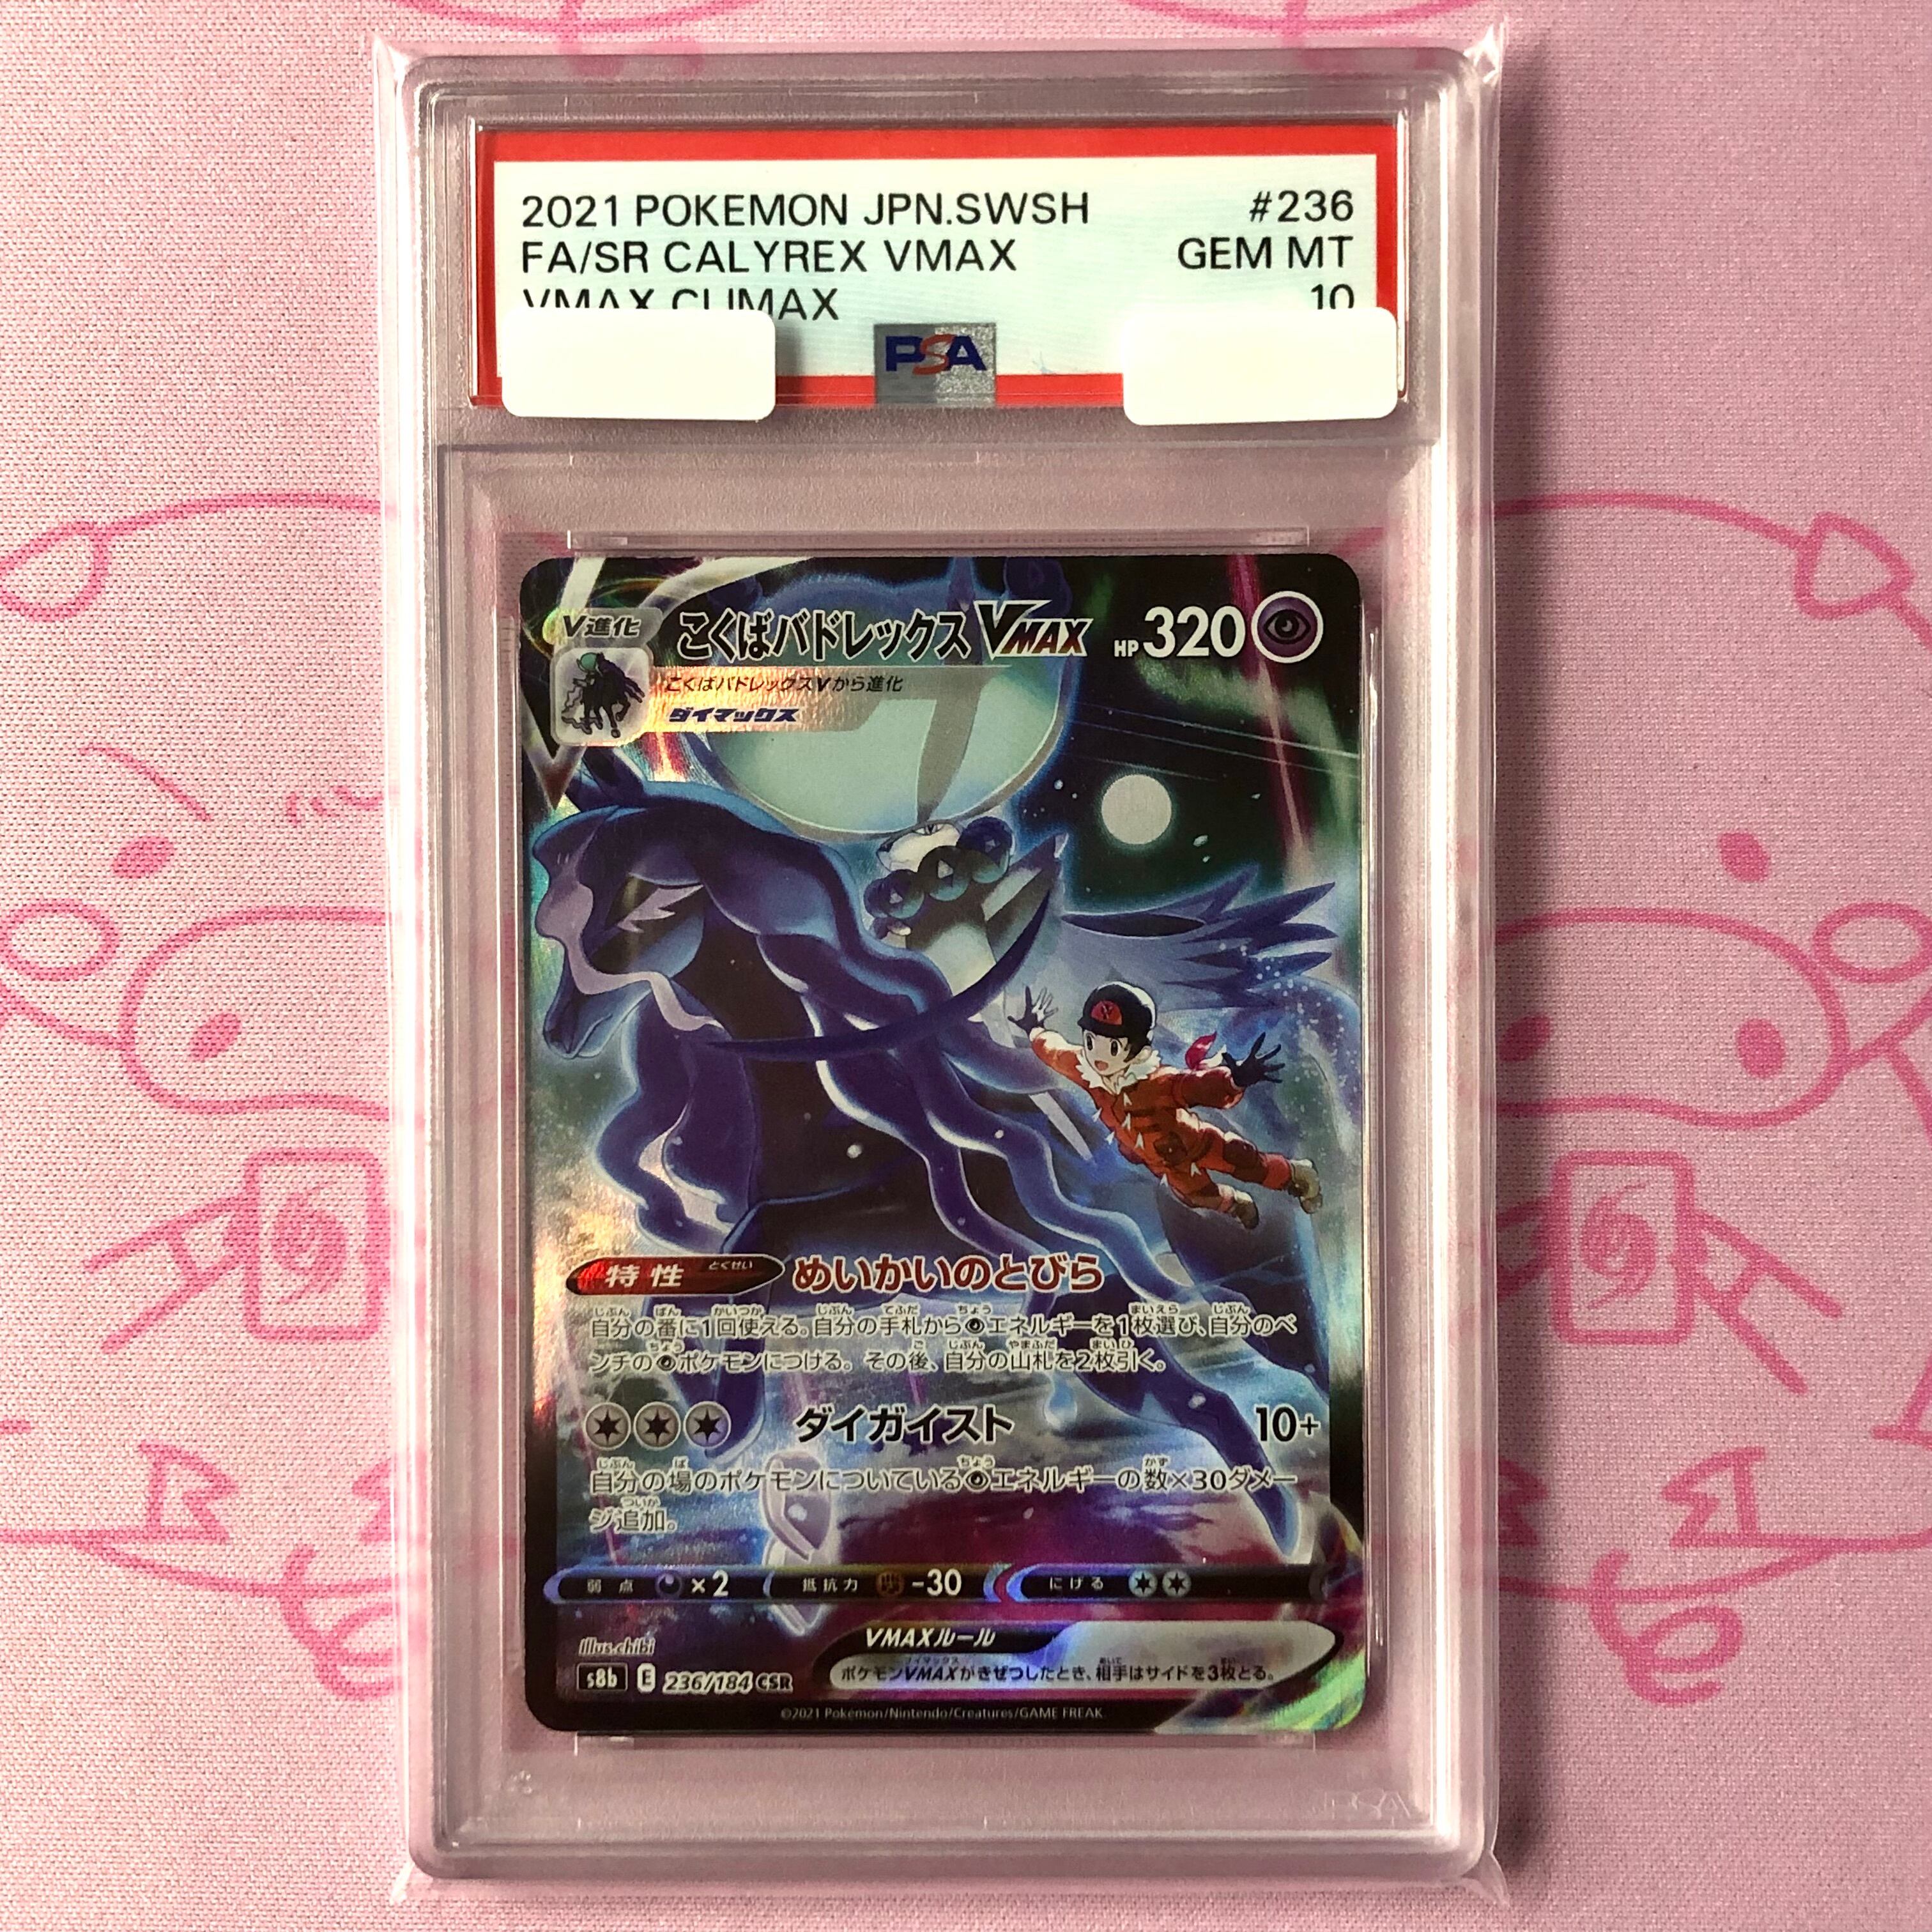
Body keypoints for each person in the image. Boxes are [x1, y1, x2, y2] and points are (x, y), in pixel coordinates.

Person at [1020, 981, 1320, 1230]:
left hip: (1198, 1142)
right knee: (1197, 1195)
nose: (1098, 1055)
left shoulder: (1156, 1082)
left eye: (1113, 1046)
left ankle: (1296, 1174)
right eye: (1090, 1041)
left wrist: (1234, 1080)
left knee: (1246, 1162)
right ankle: (1236, 1204)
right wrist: (1035, 1030)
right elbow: (1055, 1052)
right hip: (1161, 1163)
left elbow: (1196, 1087)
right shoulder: (1086, 1070)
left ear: (1136, 1047)